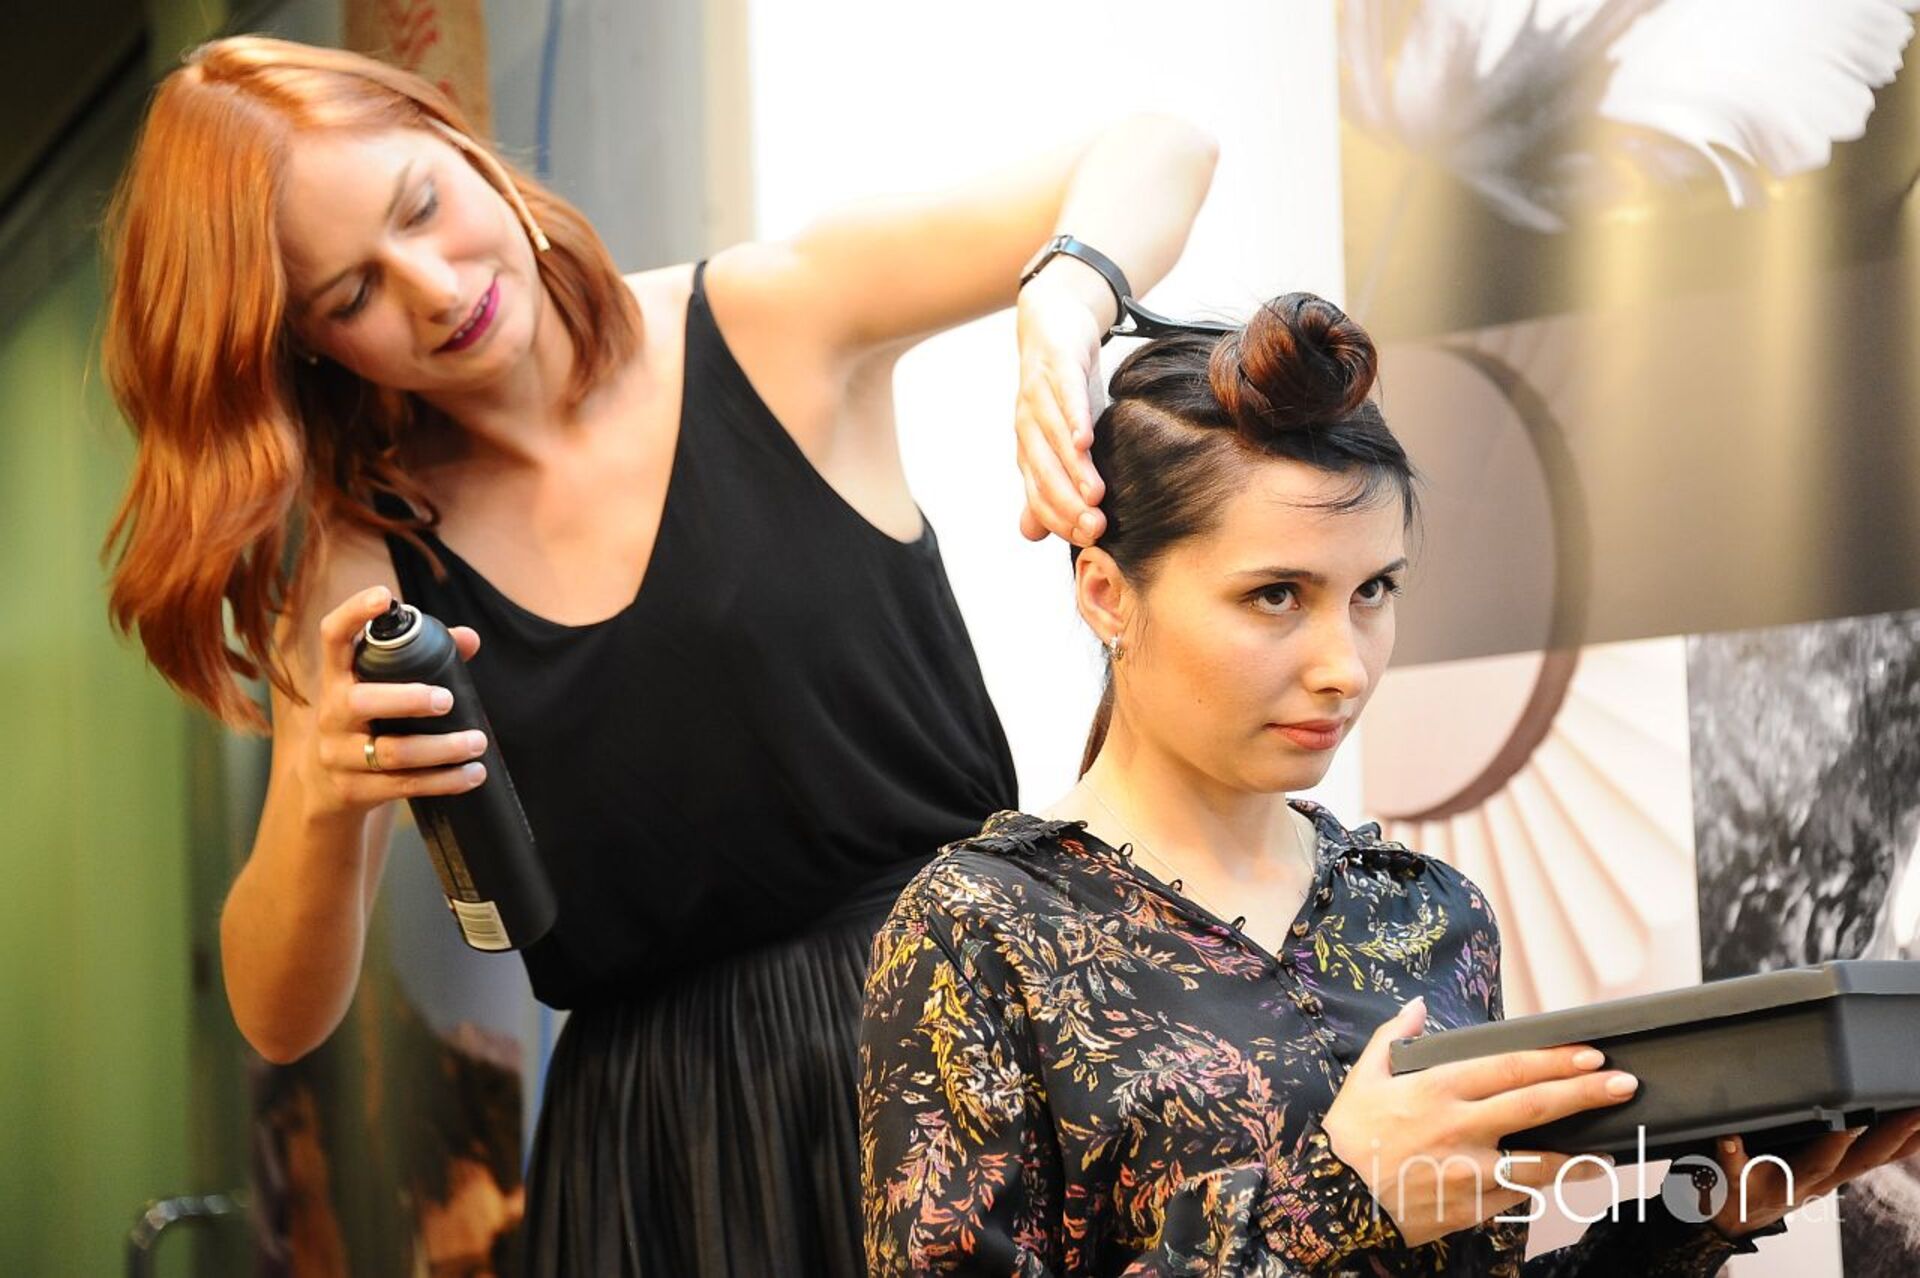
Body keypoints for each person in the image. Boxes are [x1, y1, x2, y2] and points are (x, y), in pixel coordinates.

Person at [99, 35, 1219, 1275]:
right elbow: (278, 1014)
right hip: (669, 1160)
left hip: (969, 1038)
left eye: (420, 205)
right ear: (307, 345)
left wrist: (1064, 301)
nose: (431, 286)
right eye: (351, 294)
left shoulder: (774, 318)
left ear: (462, 144)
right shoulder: (367, 562)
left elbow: (1161, 146)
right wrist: (316, 797)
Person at [857, 294, 1920, 1274]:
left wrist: (1705, 1215)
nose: (1346, 666)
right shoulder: (981, 930)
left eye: (1372, 591)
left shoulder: (1428, 913)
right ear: (1105, 594)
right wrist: (1342, 1195)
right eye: (1276, 595)